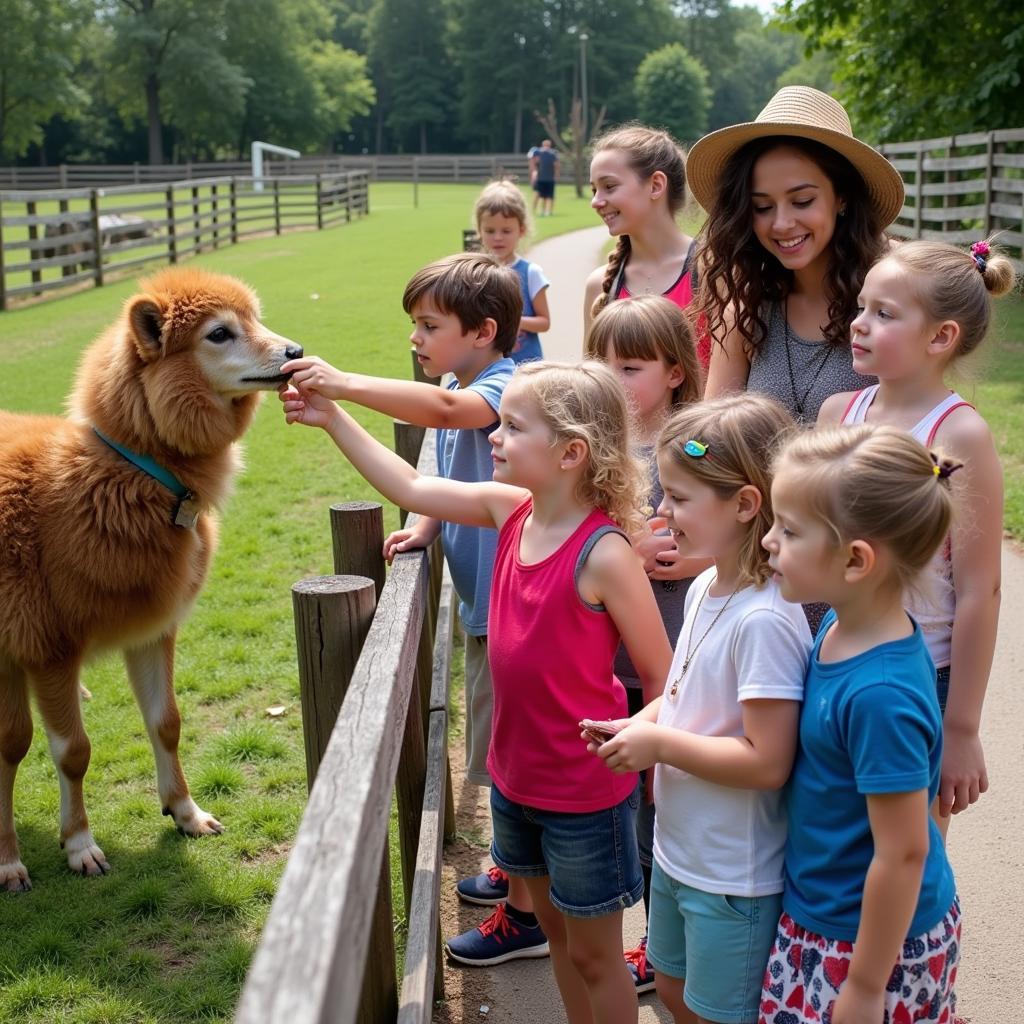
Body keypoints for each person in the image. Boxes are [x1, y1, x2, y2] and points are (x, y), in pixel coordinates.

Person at [281, 359, 673, 1024]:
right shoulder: (509, 509)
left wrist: (653, 749)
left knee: (596, 957)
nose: (494, 435)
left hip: (584, 794)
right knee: (555, 937)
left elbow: (663, 674)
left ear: (571, 453)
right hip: (517, 784)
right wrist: (331, 417)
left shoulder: (604, 554)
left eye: (513, 427)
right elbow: (408, 483)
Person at [280, 252, 549, 964]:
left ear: (485, 329)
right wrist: (427, 524)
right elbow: (444, 474)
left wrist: (341, 385)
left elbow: (444, 413)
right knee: (498, 747)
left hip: (513, 616)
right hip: (484, 608)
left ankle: (527, 903)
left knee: (510, 754)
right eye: (414, 326)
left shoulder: (501, 386)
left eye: (429, 325)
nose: (416, 339)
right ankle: (514, 865)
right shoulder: (472, 379)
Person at [591, 394, 812, 1024]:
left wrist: (659, 747)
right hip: (679, 851)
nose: (662, 510)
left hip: (732, 876)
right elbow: (684, 694)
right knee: (672, 991)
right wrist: (640, 722)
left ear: (745, 504)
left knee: (718, 1013)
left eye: (681, 497)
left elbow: (767, 761)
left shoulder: (766, 620)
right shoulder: (708, 585)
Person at [759, 424, 962, 1024]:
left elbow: (902, 852)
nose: (769, 541)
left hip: (868, 946)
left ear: (855, 560)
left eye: (789, 530)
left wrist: (868, 987)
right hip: (828, 913)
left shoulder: (880, 695)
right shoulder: (843, 627)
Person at [817, 239, 1011, 838]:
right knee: (832, 831)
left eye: (885, 313)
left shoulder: (959, 435)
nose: (859, 324)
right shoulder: (838, 414)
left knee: (909, 849)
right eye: (861, 306)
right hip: (833, 659)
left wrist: (961, 729)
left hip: (920, 674)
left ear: (940, 337)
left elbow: (980, 589)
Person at [584, 295, 706, 994]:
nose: (612, 378)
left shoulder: (691, 445)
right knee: (631, 816)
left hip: (677, 672)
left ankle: (669, 951)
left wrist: (687, 556)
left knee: (667, 813)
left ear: (677, 372)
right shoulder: (595, 449)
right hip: (612, 671)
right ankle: (655, 948)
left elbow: (729, 525)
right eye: (601, 362)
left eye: (629, 366)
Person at [690, 85, 906, 423]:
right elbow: (708, 434)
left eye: (802, 201)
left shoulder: (896, 296)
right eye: (761, 206)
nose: (781, 223)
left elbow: (926, 422)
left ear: (842, 197)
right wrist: (690, 454)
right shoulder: (747, 307)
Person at [584, 124, 708, 369]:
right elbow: (592, 393)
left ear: (656, 185)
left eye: (609, 186)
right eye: (594, 189)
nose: (595, 202)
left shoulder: (711, 273)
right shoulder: (600, 286)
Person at [473, 179, 550, 363]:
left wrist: (515, 322)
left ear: (521, 230)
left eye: (506, 231)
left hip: (525, 368)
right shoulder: (473, 274)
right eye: (490, 230)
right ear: (479, 231)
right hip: (485, 368)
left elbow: (544, 322)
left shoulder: (531, 273)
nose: (498, 238)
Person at [528, 138, 560, 216]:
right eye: (545, 145)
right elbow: (532, 163)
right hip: (540, 178)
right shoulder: (537, 153)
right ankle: (534, 211)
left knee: (549, 196)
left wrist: (556, 175)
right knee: (538, 195)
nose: (546, 146)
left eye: (548, 145)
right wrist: (533, 175)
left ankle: (548, 212)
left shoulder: (552, 154)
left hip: (549, 179)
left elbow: (556, 166)